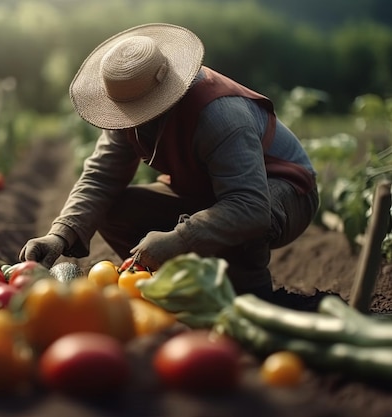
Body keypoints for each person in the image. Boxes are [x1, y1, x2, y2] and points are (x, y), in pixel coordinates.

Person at [19, 23, 319, 299]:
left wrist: (180, 238)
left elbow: (250, 206)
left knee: (242, 222)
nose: (133, 120)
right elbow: (101, 177)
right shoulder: (128, 109)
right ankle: (175, 281)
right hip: (208, 189)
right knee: (114, 208)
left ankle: (246, 291)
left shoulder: (221, 117)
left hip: (280, 191)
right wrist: (59, 234)